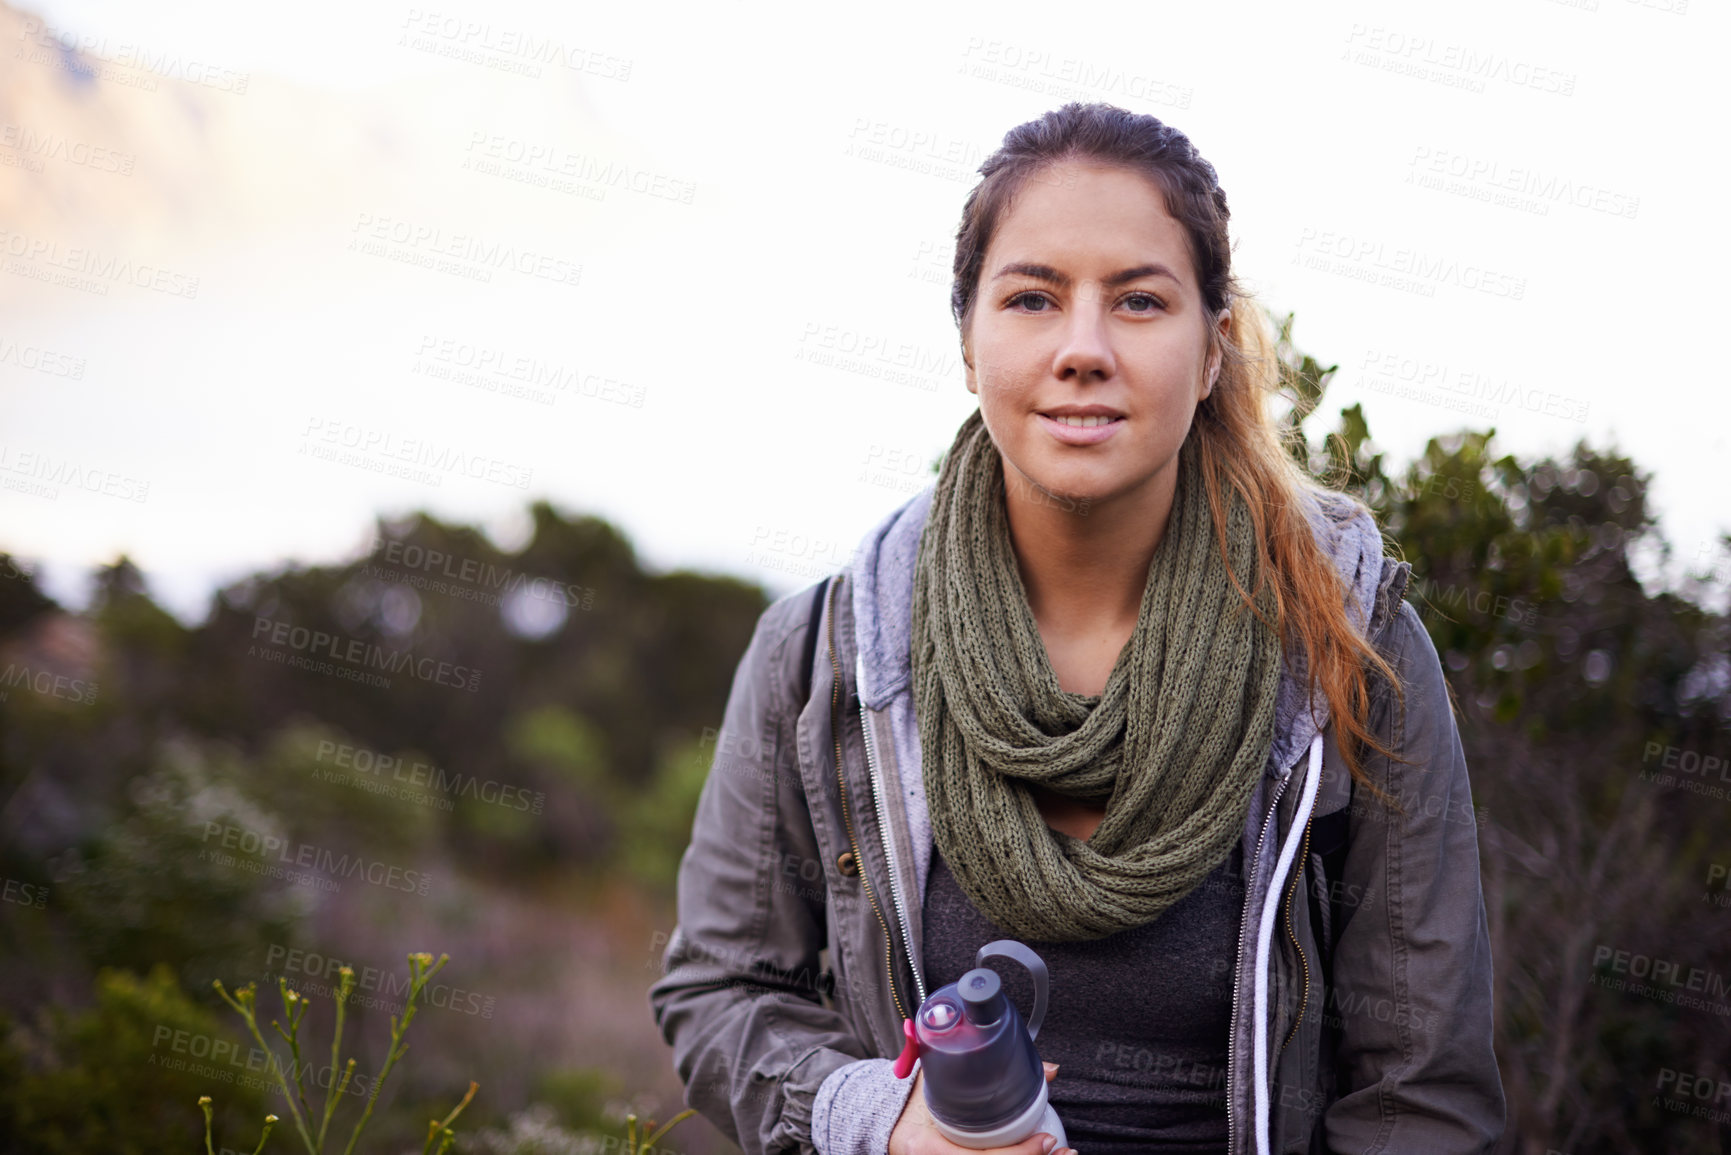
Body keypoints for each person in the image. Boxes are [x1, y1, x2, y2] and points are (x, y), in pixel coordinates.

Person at [649, 102, 1504, 1155]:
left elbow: (1422, 1097)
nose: (1083, 350)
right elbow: (720, 989)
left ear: (1212, 347)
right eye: (1033, 299)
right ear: (969, 341)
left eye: (1140, 302)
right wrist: (881, 1118)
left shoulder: (1349, 652)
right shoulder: (823, 655)